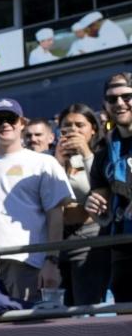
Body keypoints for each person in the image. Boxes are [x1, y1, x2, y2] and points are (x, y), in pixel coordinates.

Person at [0, 98, 73, 301]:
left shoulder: (44, 163)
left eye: (10, 118)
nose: (5, 124)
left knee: (26, 330)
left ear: (22, 123)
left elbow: (56, 217)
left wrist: (51, 261)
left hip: (28, 263)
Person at [86, 73, 132, 303]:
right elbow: (101, 205)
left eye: (127, 96)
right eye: (112, 99)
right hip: (122, 247)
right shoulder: (104, 154)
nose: (120, 103)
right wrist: (95, 207)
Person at [55, 104, 106, 305]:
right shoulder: (56, 158)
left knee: (87, 305)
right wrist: (57, 161)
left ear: (93, 128)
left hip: (89, 237)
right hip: (58, 240)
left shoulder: (100, 156)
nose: (73, 130)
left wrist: (85, 151)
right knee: (60, 307)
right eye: (67, 126)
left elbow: (98, 185)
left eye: (80, 125)